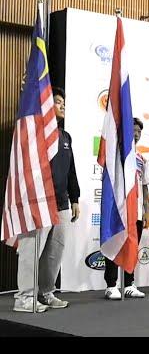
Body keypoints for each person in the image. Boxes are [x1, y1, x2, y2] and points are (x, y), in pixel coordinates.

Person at [14, 87, 80, 312]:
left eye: (64, 102)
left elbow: (71, 170)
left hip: (61, 202)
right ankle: (24, 298)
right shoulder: (34, 133)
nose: (63, 105)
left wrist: (75, 198)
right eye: (58, 101)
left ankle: (46, 291)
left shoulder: (65, 136)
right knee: (31, 249)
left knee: (55, 250)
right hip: (38, 201)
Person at [104, 117, 149, 299]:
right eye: (133, 130)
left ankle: (129, 283)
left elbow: (145, 185)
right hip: (118, 210)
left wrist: (146, 210)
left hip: (136, 210)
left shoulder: (141, 158)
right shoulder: (116, 155)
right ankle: (111, 285)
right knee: (114, 244)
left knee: (132, 246)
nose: (136, 134)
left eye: (139, 131)